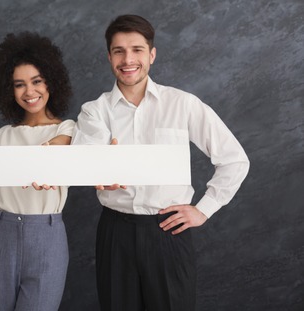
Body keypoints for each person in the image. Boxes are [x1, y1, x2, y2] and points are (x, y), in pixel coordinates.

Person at [72, 15, 250, 311]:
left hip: (168, 230)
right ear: (109, 57)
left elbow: (235, 160)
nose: (128, 59)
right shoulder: (94, 111)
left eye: (137, 49)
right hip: (115, 231)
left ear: (152, 55)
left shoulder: (183, 104)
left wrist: (204, 210)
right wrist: (97, 171)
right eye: (119, 51)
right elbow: (87, 158)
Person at [0, 32, 74, 311]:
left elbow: (58, 149)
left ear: (52, 80)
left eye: (37, 81)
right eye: (19, 85)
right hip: (0, 236)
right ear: (8, 90)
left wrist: (43, 156)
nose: (29, 92)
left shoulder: (68, 130)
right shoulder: (1, 136)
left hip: (47, 237)